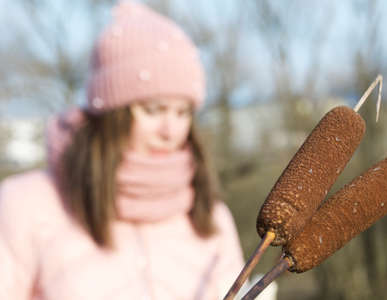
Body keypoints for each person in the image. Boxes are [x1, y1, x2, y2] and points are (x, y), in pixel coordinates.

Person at [0, 1, 246, 299]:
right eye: (153, 110)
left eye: (183, 112)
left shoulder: (210, 217)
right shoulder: (27, 204)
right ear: (112, 113)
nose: (170, 131)